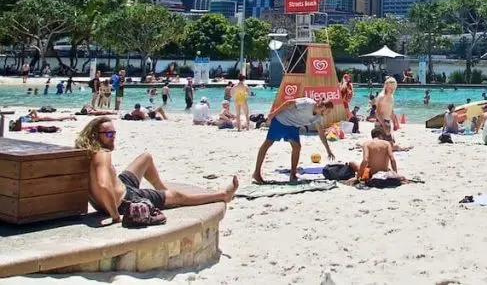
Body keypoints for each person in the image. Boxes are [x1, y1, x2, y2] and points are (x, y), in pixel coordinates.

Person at [75, 116, 237, 223]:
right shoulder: (102, 154)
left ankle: (162, 191)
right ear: (97, 135)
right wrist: (115, 216)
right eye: (109, 134)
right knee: (179, 197)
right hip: (126, 200)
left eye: (114, 133)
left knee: (146, 157)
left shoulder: (87, 153)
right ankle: (223, 195)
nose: (113, 136)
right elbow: (103, 184)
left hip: (122, 187)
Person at [253, 97, 336, 183]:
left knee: (297, 147)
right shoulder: (308, 103)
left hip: (293, 127)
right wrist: (273, 114)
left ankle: (293, 174)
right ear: (323, 108)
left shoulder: (318, 117)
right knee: (267, 144)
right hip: (281, 121)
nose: (328, 113)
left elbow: (321, 134)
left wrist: (328, 150)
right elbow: (289, 102)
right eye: (328, 111)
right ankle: (256, 173)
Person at [374, 77, 399, 142]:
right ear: (386, 86)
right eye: (390, 88)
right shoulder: (381, 96)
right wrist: (384, 124)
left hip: (388, 122)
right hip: (380, 123)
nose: (392, 90)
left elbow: (391, 110)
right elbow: (377, 112)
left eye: (393, 88)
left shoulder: (391, 96)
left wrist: (394, 122)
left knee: (391, 143)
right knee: (388, 145)